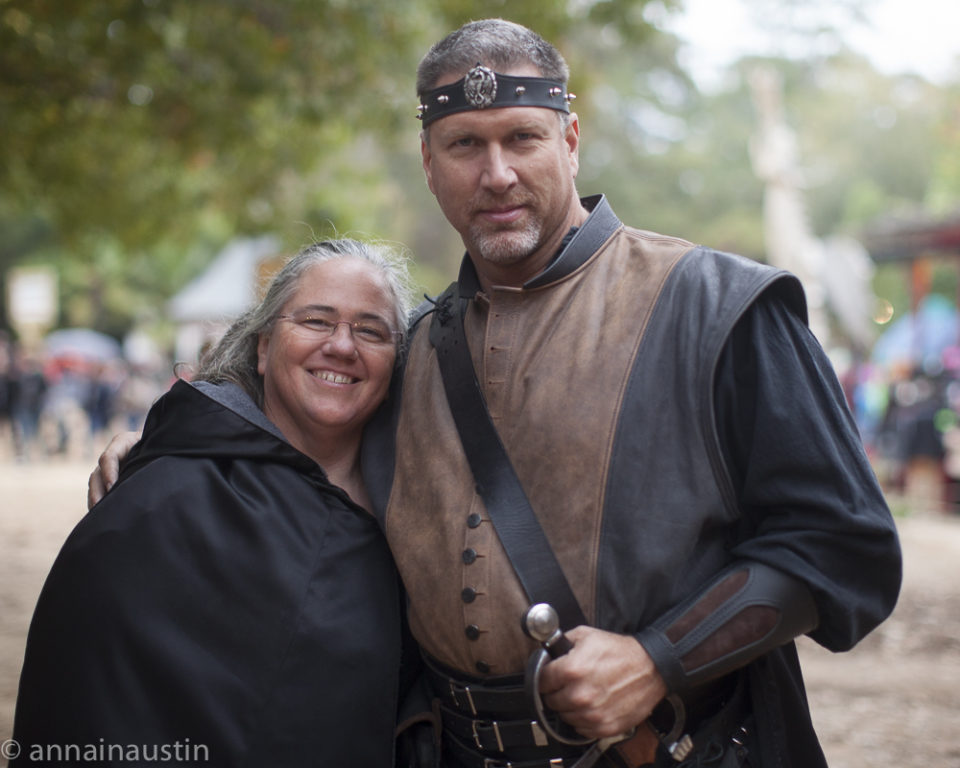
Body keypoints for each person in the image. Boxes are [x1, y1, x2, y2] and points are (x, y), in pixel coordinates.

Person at [90, 19, 902, 768]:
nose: (497, 173)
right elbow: (301, 412)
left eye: (523, 138)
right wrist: (172, 449)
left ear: (571, 141)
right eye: (464, 144)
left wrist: (659, 658)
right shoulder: (415, 347)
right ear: (429, 163)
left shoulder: (716, 305)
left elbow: (844, 545)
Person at [12, 239, 416, 767]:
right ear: (263, 347)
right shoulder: (155, 509)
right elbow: (86, 700)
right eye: (317, 321)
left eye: (370, 330)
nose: (342, 345)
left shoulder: (422, 518)